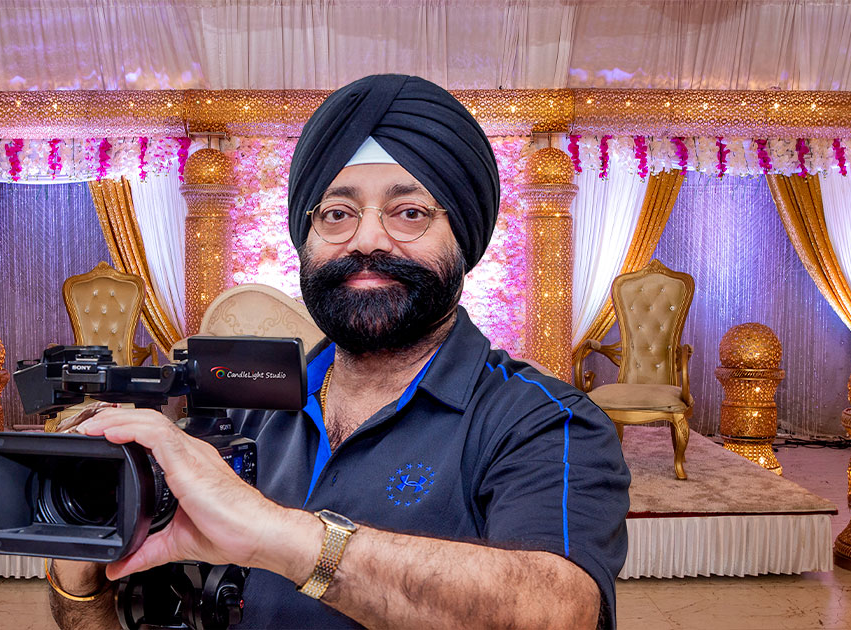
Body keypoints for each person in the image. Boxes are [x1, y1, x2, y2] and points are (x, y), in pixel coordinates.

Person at [49, 74, 630, 630]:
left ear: (464, 239)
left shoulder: (544, 420)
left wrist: (276, 534)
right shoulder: (239, 403)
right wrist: (78, 577)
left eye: (409, 212)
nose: (368, 240)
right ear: (305, 240)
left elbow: (563, 611)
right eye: (336, 213)